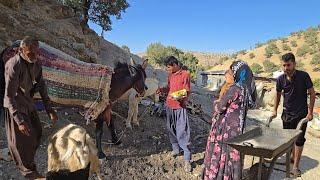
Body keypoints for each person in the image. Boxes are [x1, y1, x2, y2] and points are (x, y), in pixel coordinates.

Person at [3, 36, 58, 179]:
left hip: (28, 103)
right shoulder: (14, 65)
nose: (34, 56)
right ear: (21, 50)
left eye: (36, 53)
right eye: (30, 54)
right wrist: (19, 121)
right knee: (22, 140)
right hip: (15, 106)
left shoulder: (36, 63)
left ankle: (20, 157)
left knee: (37, 133)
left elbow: (41, 86)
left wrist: (49, 109)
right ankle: (29, 173)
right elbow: (9, 96)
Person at [203, 60, 256, 180]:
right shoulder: (246, 90)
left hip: (225, 130)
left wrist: (216, 103)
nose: (230, 74)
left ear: (238, 73)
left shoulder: (235, 88)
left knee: (222, 154)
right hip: (238, 129)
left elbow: (220, 107)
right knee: (231, 156)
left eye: (232, 71)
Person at [269, 52, 315, 177]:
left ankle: (295, 167)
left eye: (288, 65)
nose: (286, 68)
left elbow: (312, 93)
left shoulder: (304, 76)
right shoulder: (280, 79)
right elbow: (278, 94)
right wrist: (275, 110)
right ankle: (290, 158)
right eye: (284, 65)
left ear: (294, 64)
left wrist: (310, 112)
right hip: (287, 114)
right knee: (288, 140)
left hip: (301, 114)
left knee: (299, 140)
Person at [156, 56, 192, 172]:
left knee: (183, 131)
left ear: (175, 65)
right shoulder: (170, 75)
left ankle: (187, 159)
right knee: (170, 128)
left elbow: (186, 92)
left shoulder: (185, 74)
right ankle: (176, 149)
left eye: (168, 67)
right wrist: (162, 90)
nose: (167, 69)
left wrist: (175, 96)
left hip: (180, 107)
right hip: (169, 106)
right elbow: (169, 88)